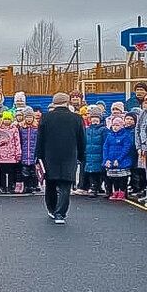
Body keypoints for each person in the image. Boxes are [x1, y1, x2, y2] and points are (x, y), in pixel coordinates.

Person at [37, 93, 86, 224]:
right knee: (65, 185)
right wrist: (81, 155)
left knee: (50, 184)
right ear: (67, 102)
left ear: (54, 103)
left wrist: (39, 157)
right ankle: (60, 213)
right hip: (69, 155)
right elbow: (82, 139)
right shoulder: (76, 118)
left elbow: (40, 139)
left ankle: (52, 209)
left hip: (50, 156)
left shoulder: (46, 117)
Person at [103, 116, 136, 199]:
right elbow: (105, 147)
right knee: (114, 177)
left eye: (117, 125)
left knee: (122, 178)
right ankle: (116, 191)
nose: (115, 127)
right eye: (113, 125)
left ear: (121, 126)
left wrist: (119, 159)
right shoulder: (109, 136)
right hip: (111, 160)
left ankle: (122, 191)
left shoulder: (125, 136)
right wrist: (106, 159)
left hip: (122, 161)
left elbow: (126, 148)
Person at [0, 112, 22, 193]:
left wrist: (18, 153)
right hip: (1, 154)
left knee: (11, 172)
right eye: (5, 119)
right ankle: (2, 187)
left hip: (11, 153)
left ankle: (11, 186)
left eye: (8, 119)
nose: (7, 121)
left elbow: (17, 141)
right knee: (2, 172)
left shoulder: (14, 129)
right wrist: (1, 141)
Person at [83, 113, 108, 197]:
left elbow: (105, 142)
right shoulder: (87, 130)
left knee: (101, 172)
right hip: (89, 154)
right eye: (93, 118)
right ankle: (93, 188)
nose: (95, 120)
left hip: (100, 154)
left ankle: (103, 188)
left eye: (96, 118)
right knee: (92, 172)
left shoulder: (103, 130)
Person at [18, 107, 41, 194]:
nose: (29, 119)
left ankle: (34, 185)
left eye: (30, 117)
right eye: (27, 117)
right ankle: (26, 186)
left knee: (34, 171)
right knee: (24, 171)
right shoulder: (21, 128)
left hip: (34, 153)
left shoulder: (37, 128)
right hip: (24, 153)